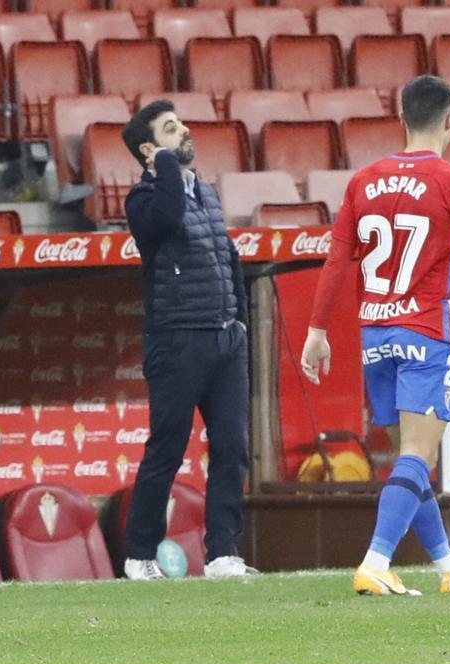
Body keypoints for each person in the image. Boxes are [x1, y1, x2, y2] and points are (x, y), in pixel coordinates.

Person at [301, 75, 450, 596]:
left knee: (411, 459)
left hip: (375, 338)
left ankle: (449, 565)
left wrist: (317, 330)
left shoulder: (363, 181)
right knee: (417, 458)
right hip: (426, 333)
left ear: (400, 120)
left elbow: (338, 261)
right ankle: (376, 560)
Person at [119, 99, 255, 580]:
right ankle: (139, 553)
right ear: (149, 149)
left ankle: (222, 553)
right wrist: (166, 165)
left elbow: (228, 255)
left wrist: (239, 318)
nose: (186, 132)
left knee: (232, 448)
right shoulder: (143, 199)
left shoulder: (209, 193)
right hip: (177, 338)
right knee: (168, 450)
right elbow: (171, 216)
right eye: (172, 129)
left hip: (224, 337)